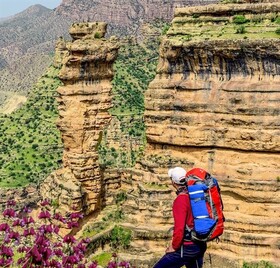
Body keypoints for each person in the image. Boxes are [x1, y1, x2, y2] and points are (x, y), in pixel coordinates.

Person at [153, 167, 207, 268]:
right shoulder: (194, 194)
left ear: (173, 183)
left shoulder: (181, 200)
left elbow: (179, 229)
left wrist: (173, 247)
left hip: (188, 247)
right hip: (199, 244)